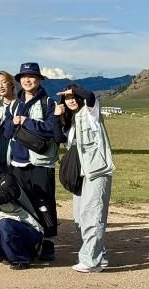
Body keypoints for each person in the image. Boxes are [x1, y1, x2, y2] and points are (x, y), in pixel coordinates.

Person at [3, 62, 60, 261]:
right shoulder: (13, 104)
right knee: (23, 202)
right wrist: (12, 122)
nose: (28, 80)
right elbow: (7, 132)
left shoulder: (49, 103)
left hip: (42, 162)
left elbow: (52, 129)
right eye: (24, 77)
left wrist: (26, 121)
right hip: (18, 162)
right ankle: (29, 241)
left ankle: (48, 242)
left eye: (32, 77)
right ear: (19, 81)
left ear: (39, 80)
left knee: (44, 202)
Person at [57, 85, 114, 273]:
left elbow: (90, 95)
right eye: (67, 98)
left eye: (74, 97)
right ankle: (100, 255)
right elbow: (57, 138)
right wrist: (58, 117)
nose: (71, 100)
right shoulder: (71, 121)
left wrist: (71, 91)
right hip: (79, 175)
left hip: (96, 171)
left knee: (93, 214)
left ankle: (91, 261)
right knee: (80, 218)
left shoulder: (91, 112)